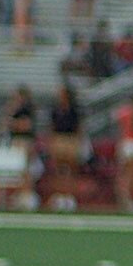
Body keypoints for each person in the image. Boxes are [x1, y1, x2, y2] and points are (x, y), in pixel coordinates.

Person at [47, 84, 83, 212]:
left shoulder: (74, 110)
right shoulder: (56, 109)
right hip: (59, 137)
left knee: (71, 169)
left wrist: (78, 142)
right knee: (58, 170)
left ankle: (69, 196)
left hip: (70, 138)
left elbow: (78, 128)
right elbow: (52, 126)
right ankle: (59, 195)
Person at [5, 86, 39, 211]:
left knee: (26, 170)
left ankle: (27, 196)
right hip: (17, 140)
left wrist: (13, 123)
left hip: (25, 141)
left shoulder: (27, 109)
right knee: (19, 171)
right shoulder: (16, 110)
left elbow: (25, 126)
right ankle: (21, 195)